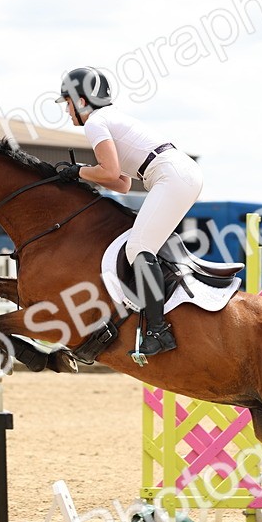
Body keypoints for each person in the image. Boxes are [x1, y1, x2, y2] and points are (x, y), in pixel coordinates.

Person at [55, 66, 204, 359]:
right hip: (176, 173)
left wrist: (77, 171)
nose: (67, 110)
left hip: (170, 175)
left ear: (81, 101)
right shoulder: (108, 118)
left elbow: (108, 171)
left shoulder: (95, 123)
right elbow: (121, 183)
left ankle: (158, 331)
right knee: (142, 245)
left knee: (138, 246)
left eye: (67, 102)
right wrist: (83, 175)